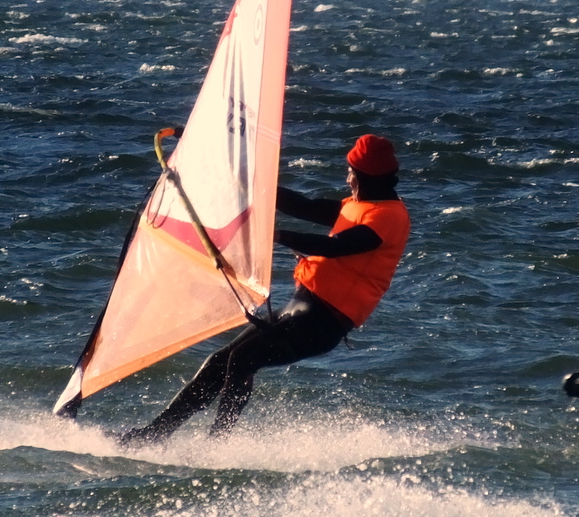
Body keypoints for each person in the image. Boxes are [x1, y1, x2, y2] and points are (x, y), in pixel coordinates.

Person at [117, 134, 410, 446]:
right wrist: (241, 177)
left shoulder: (389, 216)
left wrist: (279, 235)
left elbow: (336, 246)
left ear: (363, 177)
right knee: (220, 361)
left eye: (350, 172)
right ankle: (154, 434)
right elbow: (302, 206)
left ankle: (217, 444)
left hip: (324, 322)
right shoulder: (357, 205)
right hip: (300, 308)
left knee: (242, 359)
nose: (347, 178)